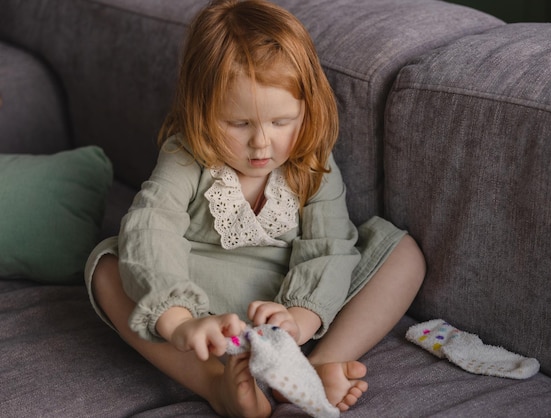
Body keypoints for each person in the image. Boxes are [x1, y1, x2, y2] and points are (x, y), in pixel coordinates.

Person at [85, 0, 425, 416]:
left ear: (308, 107)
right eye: (239, 123)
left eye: (282, 122)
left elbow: (329, 246)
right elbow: (151, 227)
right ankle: (217, 384)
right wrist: (180, 321)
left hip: (294, 301)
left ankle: (311, 368)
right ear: (201, 111)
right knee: (108, 266)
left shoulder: (313, 160)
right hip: (208, 309)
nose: (262, 144)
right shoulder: (187, 156)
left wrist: (299, 319)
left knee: (404, 254)